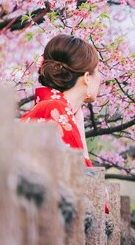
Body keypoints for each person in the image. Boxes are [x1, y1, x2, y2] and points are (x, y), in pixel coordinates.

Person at [21, 34, 108, 213]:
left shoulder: (55, 108)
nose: (101, 78)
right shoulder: (54, 110)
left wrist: (79, 123)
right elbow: (86, 188)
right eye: (98, 71)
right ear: (86, 77)